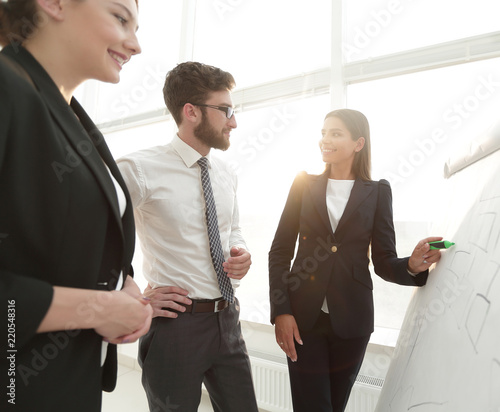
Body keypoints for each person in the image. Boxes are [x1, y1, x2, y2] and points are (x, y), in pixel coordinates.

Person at [0, 1, 153, 410]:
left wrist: (126, 286)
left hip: (67, 379)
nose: (135, 45)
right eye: (120, 18)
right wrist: (97, 308)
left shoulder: (72, 115)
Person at [268, 109, 442, 412]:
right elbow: (280, 252)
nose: (325, 140)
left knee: (335, 406)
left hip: (353, 321)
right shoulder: (303, 185)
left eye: (335, 133)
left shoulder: (377, 192)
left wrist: (412, 266)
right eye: (324, 132)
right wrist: (281, 311)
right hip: (303, 318)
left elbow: (384, 261)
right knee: (312, 406)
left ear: (358, 143)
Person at [117, 61, 259, 412]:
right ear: (191, 111)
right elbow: (91, 233)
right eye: (225, 110)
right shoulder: (138, 169)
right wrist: (127, 291)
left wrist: (240, 250)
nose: (234, 121)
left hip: (227, 320)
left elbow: (231, 227)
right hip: (175, 327)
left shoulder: (225, 173)